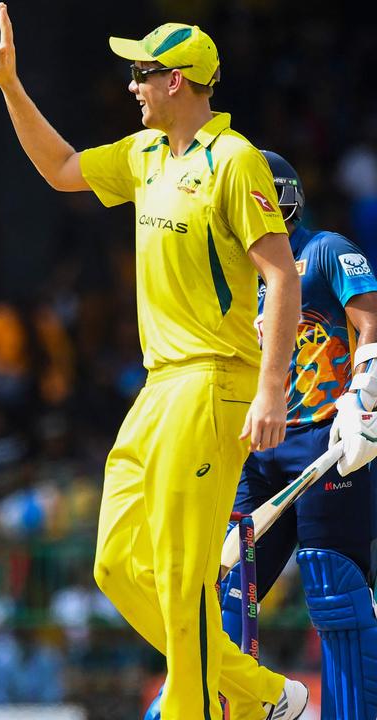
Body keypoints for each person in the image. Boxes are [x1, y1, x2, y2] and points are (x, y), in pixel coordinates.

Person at [0, 5, 307, 719]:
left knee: (181, 576)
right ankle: (261, 694)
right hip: (158, 386)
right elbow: (62, 168)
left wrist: (270, 392)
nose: (131, 86)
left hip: (212, 383)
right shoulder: (144, 156)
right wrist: (11, 86)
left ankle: (202, 707)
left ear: (180, 81)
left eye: (142, 74)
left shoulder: (234, 161)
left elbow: (282, 276)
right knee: (114, 563)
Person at [217, 151, 377, 719]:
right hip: (258, 448)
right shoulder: (238, 273)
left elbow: (371, 319)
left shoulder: (325, 250)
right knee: (230, 592)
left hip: (330, 441)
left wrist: (364, 395)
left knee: (335, 592)